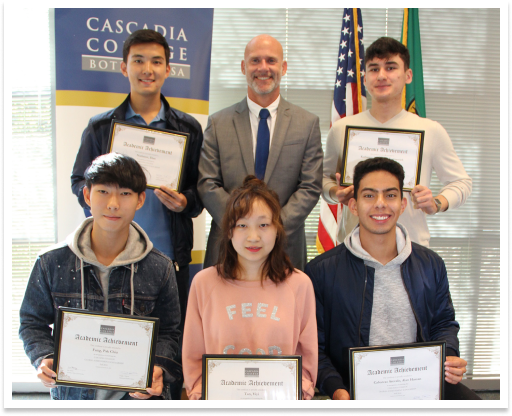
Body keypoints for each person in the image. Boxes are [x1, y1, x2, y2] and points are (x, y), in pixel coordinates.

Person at [71, 29, 203, 398]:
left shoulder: (187, 128)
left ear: (168, 69)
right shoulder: (101, 127)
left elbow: (199, 190)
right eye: (139, 60)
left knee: (164, 356)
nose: (148, 69)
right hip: (107, 261)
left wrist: (186, 202)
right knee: (109, 352)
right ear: (124, 67)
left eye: (156, 61)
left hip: (166, 263)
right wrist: (107, 201)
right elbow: (78, 181)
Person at [306, 157, 480, 400]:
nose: (380, 204)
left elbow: (444, 323)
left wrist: (449, 354)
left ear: (403, 204)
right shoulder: (321, 271)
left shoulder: (430, 264)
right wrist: (337, 389)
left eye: (390, 195)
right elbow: (316, 347)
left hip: (421, 384)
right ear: (353, 206)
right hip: (353, 390)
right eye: (369, 196)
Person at [19, 153, 181, 400]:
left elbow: (169, 332)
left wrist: (157, 368)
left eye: (125, 193)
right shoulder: (51, 262)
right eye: (103, 192)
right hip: (72, 397)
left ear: (140, 200)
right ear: (87, 195)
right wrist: (43, 357)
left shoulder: (160, 267)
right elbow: (32, 322)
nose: (113, 203)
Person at [323, 36, 471, 247]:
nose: (381, 75)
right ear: (365, 79)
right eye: (374, 69)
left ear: (408, 75)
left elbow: (462, 182)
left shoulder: (430, 130)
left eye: (391, 67)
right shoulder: (341, 129)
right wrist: (334, 193)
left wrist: (436, 203)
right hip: (354, 251)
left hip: (411, 250)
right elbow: (322, 179)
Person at [183, 176, 318, 400]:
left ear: (277, 229)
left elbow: (307, 356)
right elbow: (193, 356)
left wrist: (299, 393)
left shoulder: (299, 284)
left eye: (263, 225)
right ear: (229, 232)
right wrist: (200, 394)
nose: (253, 237)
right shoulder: (204, 283)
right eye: (242, 225)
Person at [198, 34, 323, 271]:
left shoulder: (307, 123)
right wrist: (242, 226)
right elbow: (207, 183)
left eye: (271, 61)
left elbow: (310, 186)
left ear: (283, 68)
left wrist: (272, 227)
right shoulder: (218, 122)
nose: (263, 68)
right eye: (255, 61)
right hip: (228, 247)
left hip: (285, 247)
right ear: (244, 67)